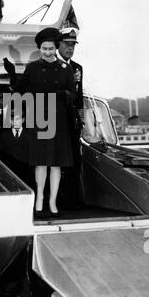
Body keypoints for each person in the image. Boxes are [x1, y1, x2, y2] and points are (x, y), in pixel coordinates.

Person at [4, 28, 76, 219]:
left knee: (56, 164)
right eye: (44, 48)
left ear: (56, 48)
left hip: (59, 120)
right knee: (41, 162)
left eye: (51, 48)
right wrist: (12, 76)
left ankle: (52, 202)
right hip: (40, 119)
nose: (47, 52)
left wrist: (61, 95)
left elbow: (73, 94)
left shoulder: (66, 69)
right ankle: (40, 199)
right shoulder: (33, 68)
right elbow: (19, 90)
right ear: (40, 49)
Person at [58, 27, 84, 209]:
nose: (70, 48)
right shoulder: (51, 66)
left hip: (72, 122)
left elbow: (79, 99)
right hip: (56, 120)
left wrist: (80, 121)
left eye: (73, 45)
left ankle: (72, 203)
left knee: (74, 161)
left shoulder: (77, 68)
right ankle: (57, 201)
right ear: (58, 44)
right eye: (67, 44)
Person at [0, 108, 32, 186]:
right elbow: (1, 155)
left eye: (17, 119)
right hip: (9, 173)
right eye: (12, 119)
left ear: (23, 120)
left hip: (26, 174)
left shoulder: (30, 136)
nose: (15, 122)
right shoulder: (4, 136)